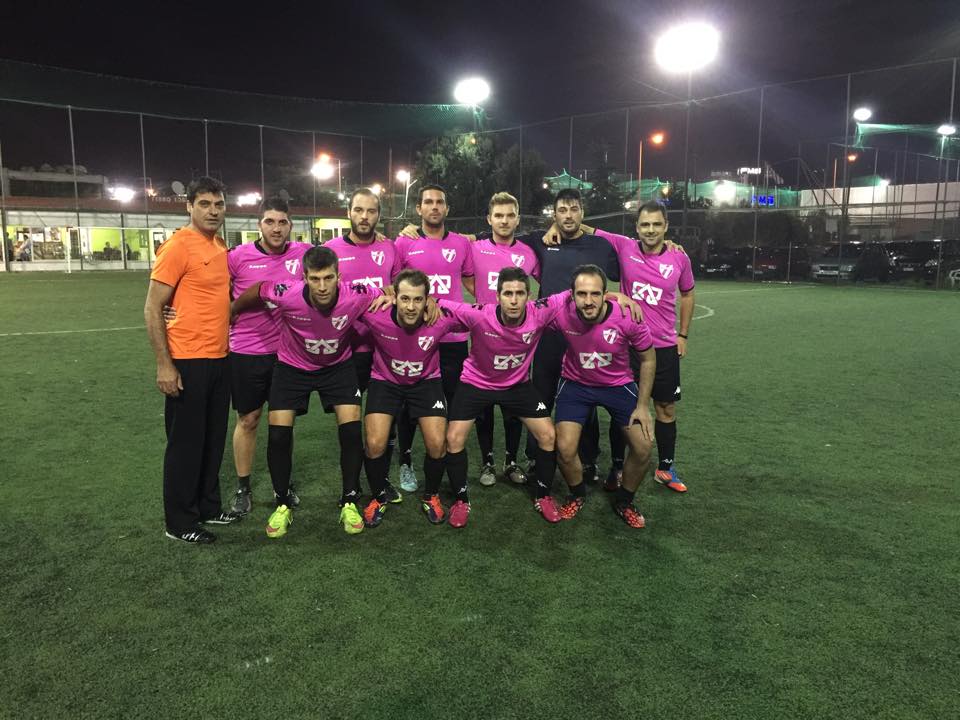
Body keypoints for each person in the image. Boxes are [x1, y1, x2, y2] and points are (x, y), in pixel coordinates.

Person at [437, 267, 640, 526]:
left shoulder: (540, 311)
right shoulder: (478, 315)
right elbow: (438, 303)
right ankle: (461, 500)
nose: (514, 300)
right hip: (476, 384)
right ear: (497, 296)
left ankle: (543, 495)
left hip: (517, 386)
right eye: (508, 293)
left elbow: (577, 293)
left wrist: (613, 295)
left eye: (520, 293)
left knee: (548, 436)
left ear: (528, 296)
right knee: (453, 439)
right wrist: (399, 295)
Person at [230, 246, 393, 537]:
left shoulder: (356, 293)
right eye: (315, 279)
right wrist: (232, 310)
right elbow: (258, 289)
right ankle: (282, 503)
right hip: (292, 367)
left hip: (338, 367)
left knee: (351, 432)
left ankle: (349, 500)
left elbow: (386, 292)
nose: (322, 286)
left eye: (328, 278)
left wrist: (389, 294)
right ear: (304, 278)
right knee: (278, 436)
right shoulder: (287, 292)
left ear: (338, 277)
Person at [560, 201, 695, 492]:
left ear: (666, 226)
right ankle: (618, 467)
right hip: (626, 344)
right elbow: (585, 228)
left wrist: (683, 335)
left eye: (656, 224)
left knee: (666, 407)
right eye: (645, 224)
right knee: (622, 406)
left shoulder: (679, 257)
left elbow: (687, 294)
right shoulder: (624, 246)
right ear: (637, 227)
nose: (650, 230)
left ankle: (666, 468)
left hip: (663, 346)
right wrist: (553, 227)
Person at [144, 176, 239, 544]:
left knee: (212, 440)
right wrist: (164, 364)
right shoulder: (177, 247)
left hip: (220, 357)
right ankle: (180, 522)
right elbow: (153, 307)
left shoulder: (219, 245)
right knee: (186, 443)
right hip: (187, 359)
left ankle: (208, 507)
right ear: (189, 206)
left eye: (218, 204)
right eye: (204, 204)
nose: (213, 211)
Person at [517, 189, 622, 484]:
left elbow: (628, 260)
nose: (568, 215)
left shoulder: (600, 246)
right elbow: (501, 235)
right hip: (549, 337)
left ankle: (588, 460)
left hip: (587, 337)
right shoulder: (541, 241)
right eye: (562, 210)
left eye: (574, 209)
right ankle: (537, 458)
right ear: (554, 214)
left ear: (582, 213)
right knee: (541, 396)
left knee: (586, 397)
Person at [550, 265, 657, 528]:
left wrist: (643, 406)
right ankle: (577, 494)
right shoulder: (561, 314)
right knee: (564, 447)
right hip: (576, 385)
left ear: (605, 294)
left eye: (595, 294)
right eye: (582, 294)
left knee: (643, 447)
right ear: (572, 295)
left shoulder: (627, 316)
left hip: (617, 385)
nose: (588, 301)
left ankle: (624, 501)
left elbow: (648, 359)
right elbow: (528, 314)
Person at [225, 198, 313, 515]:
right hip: (246, 351)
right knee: (248, 420)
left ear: (291, 225)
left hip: (288, 354)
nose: (276, 228)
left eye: (282, 222)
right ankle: (243, 487)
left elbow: (335, 262)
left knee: (282, 424)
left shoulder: (303, 254)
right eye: (270, 222)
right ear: (259, 224)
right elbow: (211, 290)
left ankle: (282, 485)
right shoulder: (237, 257)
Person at [357, 269, 464, 527]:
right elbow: (345, 298)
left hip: (426, 382)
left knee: (437, 444)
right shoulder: (376, 314)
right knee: (374, 443)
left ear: (427, 300)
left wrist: (441, 303)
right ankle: (378, 497)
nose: (411, 306)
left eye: (418, 299)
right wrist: (380, 292)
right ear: (395, 297)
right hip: (385, 381)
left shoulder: (438, 318)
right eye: (405, 298)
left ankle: (431, 496)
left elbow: (477, 316)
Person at [393, 184, 476, 492]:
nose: (434, 207)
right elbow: (394, 286)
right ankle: (405, 461)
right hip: (414, 338)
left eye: (440, 202)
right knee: (408, 404)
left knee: (453, 402)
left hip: (453, 339)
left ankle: (449, 461)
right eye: (428, 202)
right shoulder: (404, 242)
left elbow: (471, 280)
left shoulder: (462, 243)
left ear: (447, 208)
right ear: (419, 208)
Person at [324, 188, 402, 490]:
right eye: (358, 210)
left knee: (387, 418)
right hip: (347, 348)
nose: (364, 216)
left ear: (378, 215)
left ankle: (381, 481)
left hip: (384, 347)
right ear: (349, 212)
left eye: (371, 211)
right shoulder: (331, 250)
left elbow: (398, 289)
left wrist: (392, 293)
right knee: (350, 421)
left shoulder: (390, 248)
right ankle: (352, 482)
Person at [468, 192, 540, 488]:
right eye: (499, 215)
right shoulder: (475, 248)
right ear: (489, 219)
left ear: (518, 219)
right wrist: (482, 301)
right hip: (484, 337)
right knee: (483, 404)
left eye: (510, 215)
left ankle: (511, 461)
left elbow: (545, 281)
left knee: (513, 405)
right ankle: (488, 461)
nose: (504, 221)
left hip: (518, 340)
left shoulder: (529, 253)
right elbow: (466, 275)